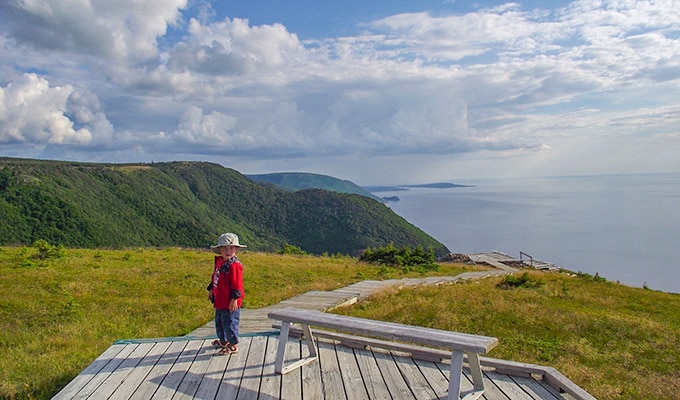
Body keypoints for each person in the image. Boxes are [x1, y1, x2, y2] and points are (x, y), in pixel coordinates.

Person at [207, 232, 246, 355]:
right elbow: (215, 277)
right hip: (220, 300)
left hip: (229, 302)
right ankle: (224, 341)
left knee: (230, 323)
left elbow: (237, 284)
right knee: (220, 321)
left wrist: (234, 299)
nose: (228, 251)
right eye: (225, 248)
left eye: (231, 248)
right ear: (220, 250)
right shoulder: (220, 262)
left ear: (236, 250)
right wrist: (211, 289)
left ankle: (232, 344)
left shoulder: (234, 266)